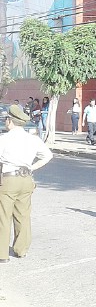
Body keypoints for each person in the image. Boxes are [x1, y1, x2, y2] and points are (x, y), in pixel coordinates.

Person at [0, 106, 53, 263]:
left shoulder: (4, 139)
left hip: (8, 179)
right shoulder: (33, 139)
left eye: (6, 119)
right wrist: (32, 167)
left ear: (11, 121)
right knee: (23, 215)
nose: (5, 122)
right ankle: (21, 250)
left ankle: (2, 254)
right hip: (26, 179)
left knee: (3, 216)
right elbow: (48, 156)